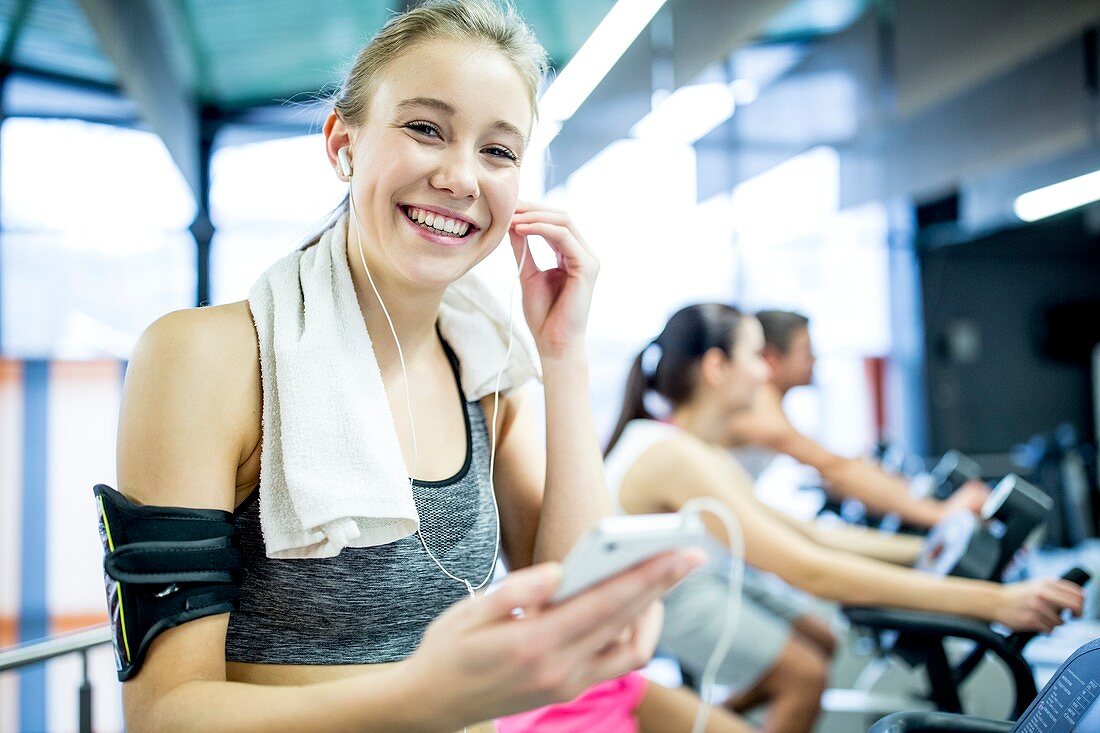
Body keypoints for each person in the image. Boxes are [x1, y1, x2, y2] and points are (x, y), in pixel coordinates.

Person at [108, 3, 702, 732]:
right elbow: (163, 713)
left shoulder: (488, 371)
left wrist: (563, 354)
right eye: (425, 128)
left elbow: (574, 602)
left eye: (499, 151)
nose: (459, 177)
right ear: (342, 144)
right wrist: (432, 694)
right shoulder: (208, 358)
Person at [603, 304, 1085, 733]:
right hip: (651, 608)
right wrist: (995, 602)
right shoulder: (675, 455)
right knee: (804, 677)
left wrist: (926, 547)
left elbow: (805, 534)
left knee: (820, 643)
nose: (762, 373)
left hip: (670, 592)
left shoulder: (692, 451)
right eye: (755, 357)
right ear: (716, 367)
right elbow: (810, 568)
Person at [726, 309, 988, 528]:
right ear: (771, 358)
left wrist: (910, 492)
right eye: (805, 350)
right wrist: (938, 513)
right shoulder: (759, 412)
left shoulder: (770, 408)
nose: (814, 358)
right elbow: (837, 469)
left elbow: (837, 468)